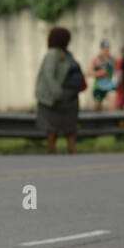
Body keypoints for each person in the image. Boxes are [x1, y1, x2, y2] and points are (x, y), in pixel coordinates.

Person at [35, 26, 82, 154]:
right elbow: (48, 75)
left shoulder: (67, 54)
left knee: (70, 126)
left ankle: (72, 150)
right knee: (51, 126)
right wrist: (58, 93)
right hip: (56, 98)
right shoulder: (52, 54)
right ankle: (52, 150)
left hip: (70, 99)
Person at [88, 40, 115, 112]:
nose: (106, 49)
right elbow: (89, 73)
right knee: (98, 107)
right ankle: (98, 122)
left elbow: (116, 71)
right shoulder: (96, 59)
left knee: (112, 103)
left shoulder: (112, 58)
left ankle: (112, 120)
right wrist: (99, 73)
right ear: (101, 48)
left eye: (108, 48)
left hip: (109, 85)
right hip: (98, 86)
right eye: (104, 48)